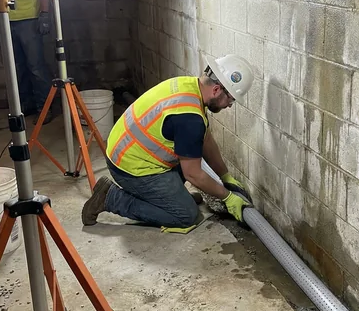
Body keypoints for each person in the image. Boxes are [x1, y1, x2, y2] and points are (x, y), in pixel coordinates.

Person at [82, 55, 255, 233]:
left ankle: (172, 200)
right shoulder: (189, 119)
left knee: (192, 159)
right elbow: (193, 174)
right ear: (217, 89)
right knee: (187, 216)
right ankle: (110, 198)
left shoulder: (190, 87)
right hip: (130, 168)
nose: (230, 105)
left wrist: (225, 176)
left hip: (128, 150)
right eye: (231, 99)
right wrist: (227, 197)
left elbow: (206, 139)